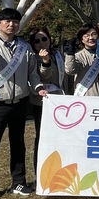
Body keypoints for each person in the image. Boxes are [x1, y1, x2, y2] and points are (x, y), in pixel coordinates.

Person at [0, 8, 46, 199]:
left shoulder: (24, 46)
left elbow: (32, 72)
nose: (11, 24)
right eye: (6, 21)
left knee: (18, 144)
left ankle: (19, 181)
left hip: (19, 103)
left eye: (15, 21)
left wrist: (38, 87)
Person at [28, 26, 64, 172]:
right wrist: (45, 61)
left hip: (60, 102)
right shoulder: (32, 57)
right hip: (42, 103)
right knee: (42, 137)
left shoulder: (58, 55)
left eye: (44, 39)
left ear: (50, 39)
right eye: (37, 41)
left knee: (60, 137)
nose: (41, 43)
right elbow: (44, 77)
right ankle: (40, 171)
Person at [64, 24, 99, 97]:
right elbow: (70, 70)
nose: (91, 38)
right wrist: (70, 54)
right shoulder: (78, 56)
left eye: (94, 34)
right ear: (82, 39)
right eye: (86, 36)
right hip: (86, 99)